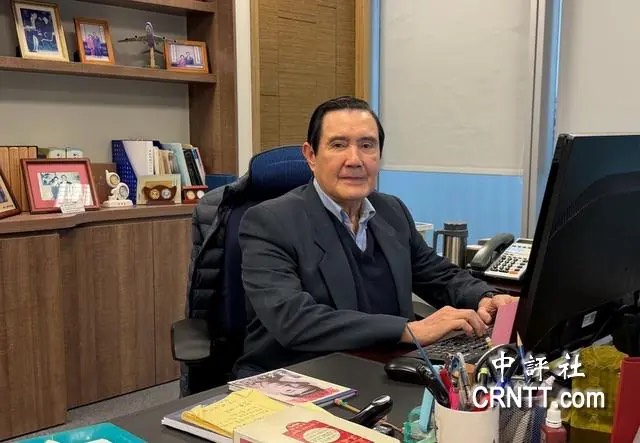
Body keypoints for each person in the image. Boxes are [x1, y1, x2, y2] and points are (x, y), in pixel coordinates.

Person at [235, 96, 517, 377]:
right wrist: (410, 330)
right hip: (298, 376)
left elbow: (437, 274)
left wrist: (483, 297)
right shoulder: (270, 222)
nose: (355, 160)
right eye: (338, 145)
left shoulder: (391, 210)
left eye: (367, 145)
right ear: (310, 156)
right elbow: (294, 321)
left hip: (382, 367)